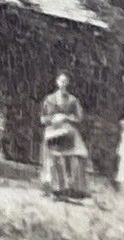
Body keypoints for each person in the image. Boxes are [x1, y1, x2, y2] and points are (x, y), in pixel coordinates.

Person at [38, 71, 90, 200]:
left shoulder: (72, 100)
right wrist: (53, 119)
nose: (63, 83)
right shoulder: (49, 99)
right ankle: (51, 188)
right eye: (60, 81)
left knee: (77, 154)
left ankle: (72, 188)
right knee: (52, 158)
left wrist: (66, 117)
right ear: (56, 82)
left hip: (67, 130)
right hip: (53, 130)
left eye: (65, 81)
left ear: (68, 83)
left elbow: (79, 117)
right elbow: (42, 119)